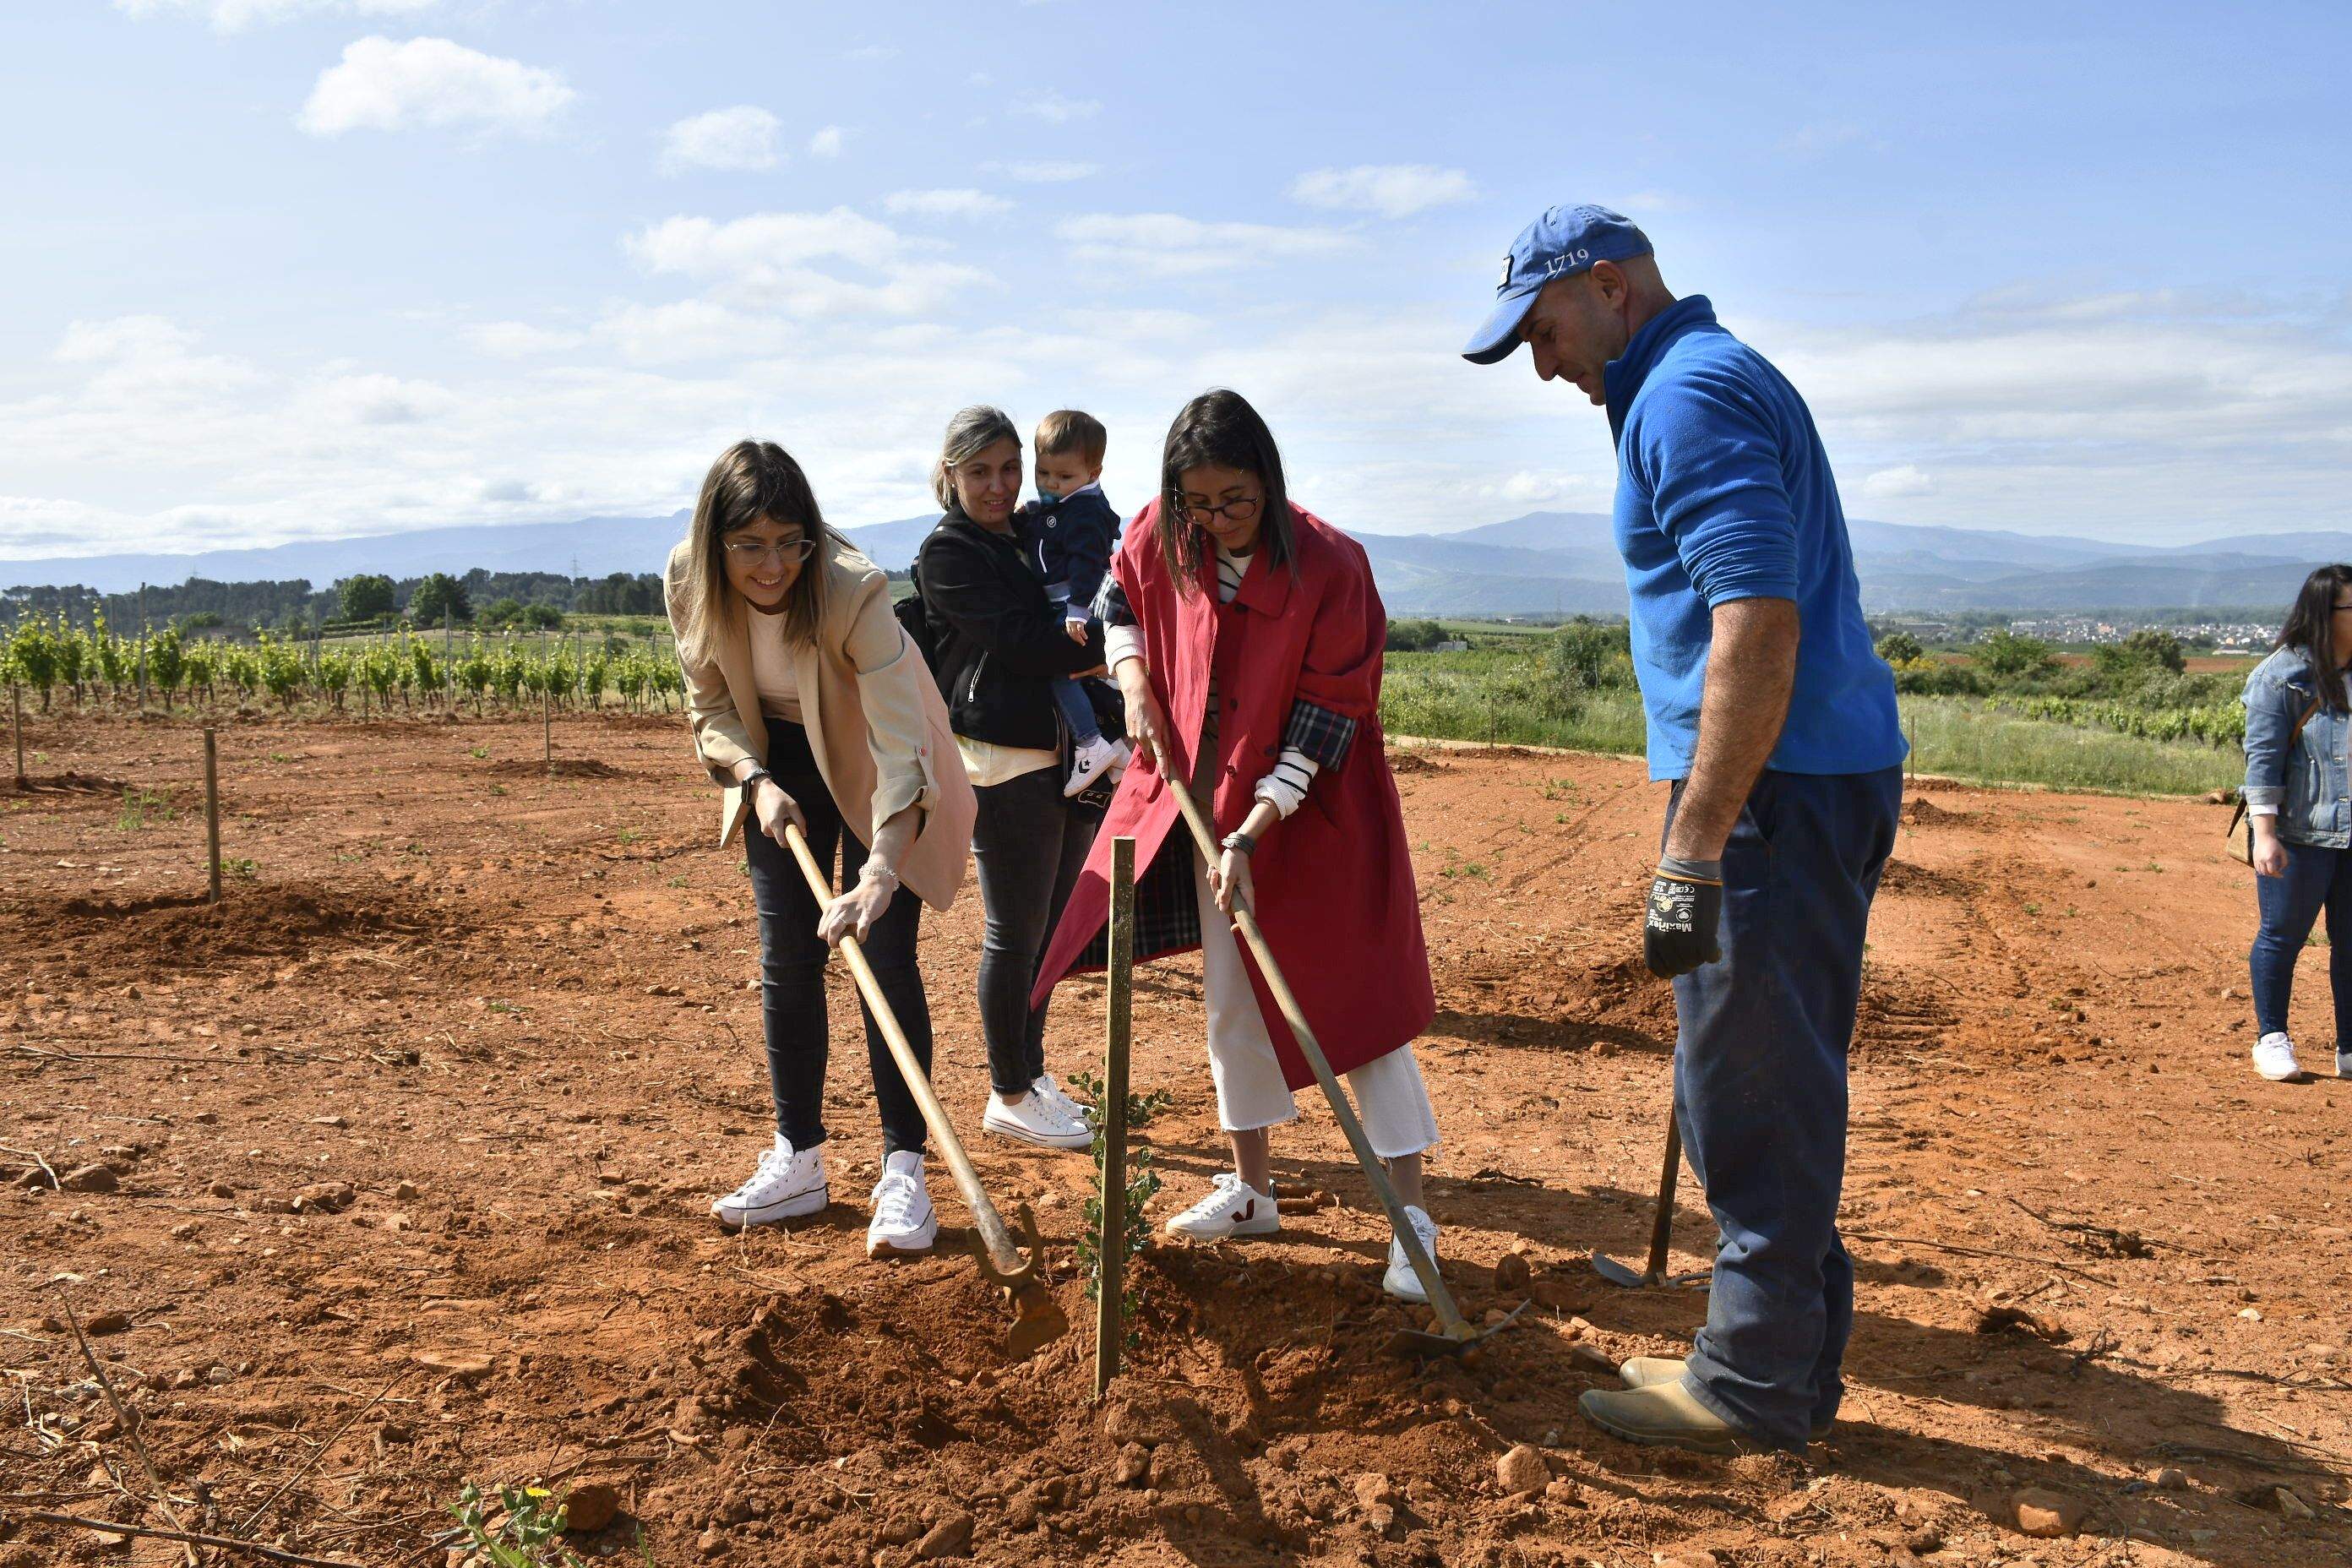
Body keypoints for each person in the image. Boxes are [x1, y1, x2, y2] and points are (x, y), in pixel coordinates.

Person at [1463, 205, 1906, 1452]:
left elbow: (1755, 619)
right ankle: (1774, 1361)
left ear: (1608, 288)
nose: (1541, 365)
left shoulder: (1686, 398)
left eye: (1542, 333)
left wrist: (1695, 843)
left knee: (1750, 1090)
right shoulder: (1698, 379)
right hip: (1803, 774)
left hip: (1778, 789)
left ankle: (1754, 1391)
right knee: (1761, 1075)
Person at [1032, 389, 1446, 1303]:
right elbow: (1119, 598)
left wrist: (1255, 830)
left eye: (1235, 502)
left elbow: (1327, 719)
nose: (1215, 521)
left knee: (1356, 1009)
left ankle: (1411, 1211)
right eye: (1199, 503)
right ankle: (1253, 1188)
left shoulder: (1333, 564)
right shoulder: (1164, 529)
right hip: (1197, 793)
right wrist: (1133, 680)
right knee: (1231, 994)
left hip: (1315, 808)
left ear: (1268, 481)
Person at [665, 439, 976, 1257]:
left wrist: (879, 872)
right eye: (751, 545)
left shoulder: (852, 588)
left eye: (789, 541)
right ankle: (798, 1156)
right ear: (716, 540)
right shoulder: (688, 580)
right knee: (789, 956)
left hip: (883, 761)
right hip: (775, 761)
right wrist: (755, 778)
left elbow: (902, 748)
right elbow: (709, 707)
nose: (773, 566)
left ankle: (903, 1170)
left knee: (884, 953)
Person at [909, 406, 1106, 1150]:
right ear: (951, 475)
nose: (999, 486)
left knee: (1049, 931)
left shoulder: (1030, 532)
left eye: (1009, 468)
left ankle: (1032, 1069)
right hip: (1002, 761)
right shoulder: (949, 555)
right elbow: (1024, 644)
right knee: (1014, 933)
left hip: (1059, 752)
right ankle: (1008, 1090)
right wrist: (1095, 655)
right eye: (981, 471)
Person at [2240, 564, 2352, 1083]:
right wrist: (2264, 834)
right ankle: (2272, 1038)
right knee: (2283, 937)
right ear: (2326, 614)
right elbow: (2262, 761)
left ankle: (2348, 1049)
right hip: (2298, 835)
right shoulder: (2279, 676)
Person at [1019, 408, 1133, 798]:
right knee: (1076, 676)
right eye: (1043, 473)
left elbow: (1087, 563)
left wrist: (1077, 611)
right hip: (1069, 607)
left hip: (1075, 610)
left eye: (1064, 477)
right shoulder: (1064, 503)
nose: (1052, 483)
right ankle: (1113, 748)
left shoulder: (1083, 511)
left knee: (1058, 670)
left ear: (1094, 473)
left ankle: (1091, 743)